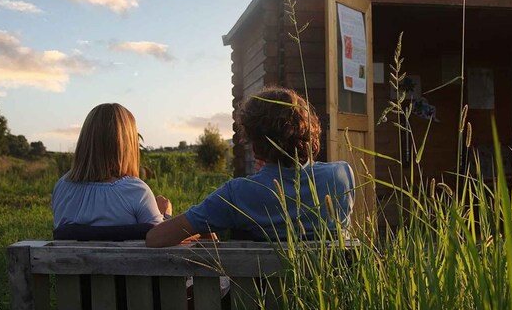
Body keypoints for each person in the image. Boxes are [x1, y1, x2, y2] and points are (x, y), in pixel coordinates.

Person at [146, 87, 355, 247]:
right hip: (330, 300)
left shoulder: (237, 193)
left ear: (255, 145)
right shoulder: (341, 175)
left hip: (256, 302)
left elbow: (155, 239)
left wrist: (165, 215)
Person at [52, 103, 169, 240]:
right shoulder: (136, 191)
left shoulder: (62, 188)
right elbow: (162, 240)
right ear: (128, 144)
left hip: (70, 261)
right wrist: (165, 215)